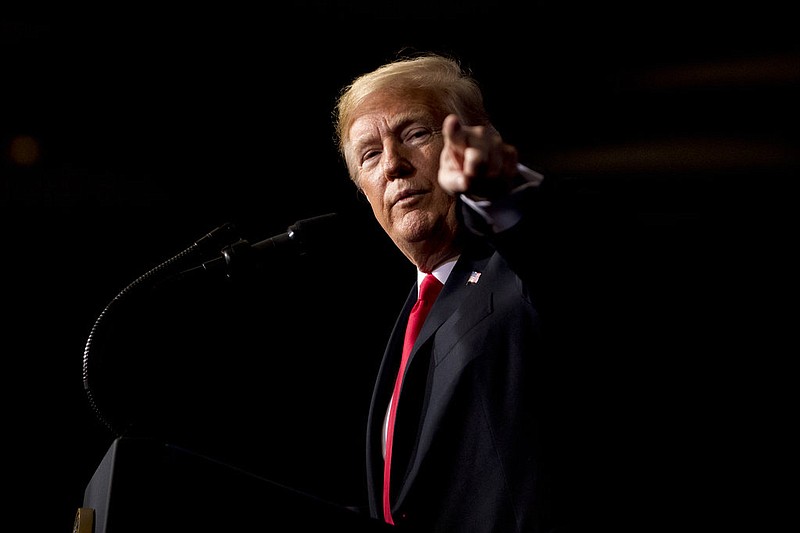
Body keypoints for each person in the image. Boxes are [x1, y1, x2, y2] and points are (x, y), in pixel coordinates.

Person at [333, 51, 581, 532]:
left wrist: (497, 193)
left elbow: (570, 251)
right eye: (369, 154)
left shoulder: (518, 274)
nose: (393, 165)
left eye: (415, 134)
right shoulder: (413, 313)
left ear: (474, 140)